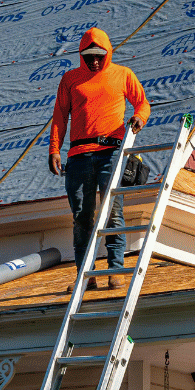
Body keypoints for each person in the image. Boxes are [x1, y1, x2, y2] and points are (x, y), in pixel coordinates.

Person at [47, 27, 150, 282]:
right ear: (82, 55)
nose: (94, 61)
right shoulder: (71, 79)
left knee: (112, 211)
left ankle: (115, 269)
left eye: (99, 56)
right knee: (82, 216)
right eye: (89, 56)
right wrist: (54, 149)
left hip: (110, 152)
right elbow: (60, 115)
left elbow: (143, 103)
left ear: (107, 54)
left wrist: (139, 118)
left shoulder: (122, 75)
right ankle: (85, 276)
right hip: (79, 155)